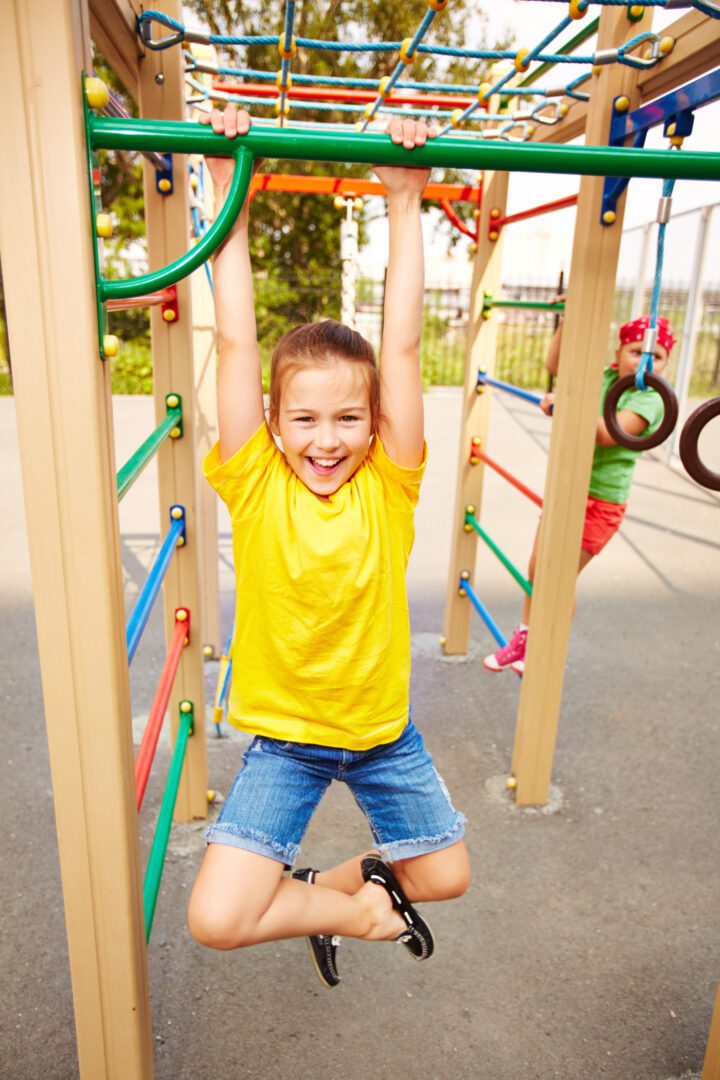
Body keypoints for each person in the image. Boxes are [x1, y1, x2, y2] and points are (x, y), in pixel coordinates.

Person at [188, 106, 470, 988]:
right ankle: (346, 910)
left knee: (446, 876)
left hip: (383, 736)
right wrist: (221, 177)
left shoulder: (390, 485)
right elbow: (237, 340)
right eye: (304, 418)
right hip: (289, 741)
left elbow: (404, 344)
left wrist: (403, 199)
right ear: (272, 424)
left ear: (374, 422)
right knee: (217, 920)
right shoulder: (256, 480)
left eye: (349, 417)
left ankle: (324, 892)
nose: (327, 437)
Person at [484, 309, 675, 675]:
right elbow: (554, 364)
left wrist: (567, 405)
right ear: (617, 353)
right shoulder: (601, 377)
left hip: (601, 503)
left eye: (657, 357)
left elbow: (608, 432)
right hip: (568, 488)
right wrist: (571, 317)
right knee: (538, 569)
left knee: (557, 577)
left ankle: (545, 645)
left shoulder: (650, 398)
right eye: (636, 351)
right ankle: (527, 638)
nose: (645, 362)